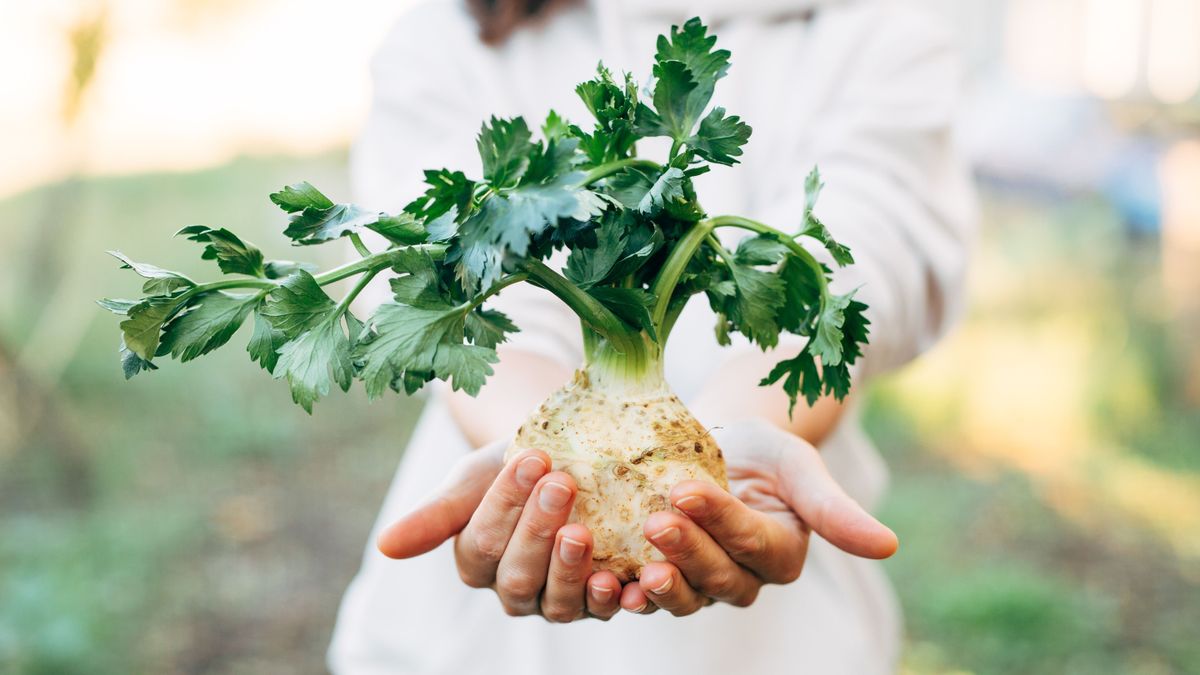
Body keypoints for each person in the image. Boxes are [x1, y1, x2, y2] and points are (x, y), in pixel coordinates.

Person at [329, 0, 976, 672]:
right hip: (469, 643)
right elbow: (449, 273)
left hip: (780, 643)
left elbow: (867, 248)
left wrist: (736, 439)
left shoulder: (878, 27)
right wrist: (544, 460)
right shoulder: (449, 29)